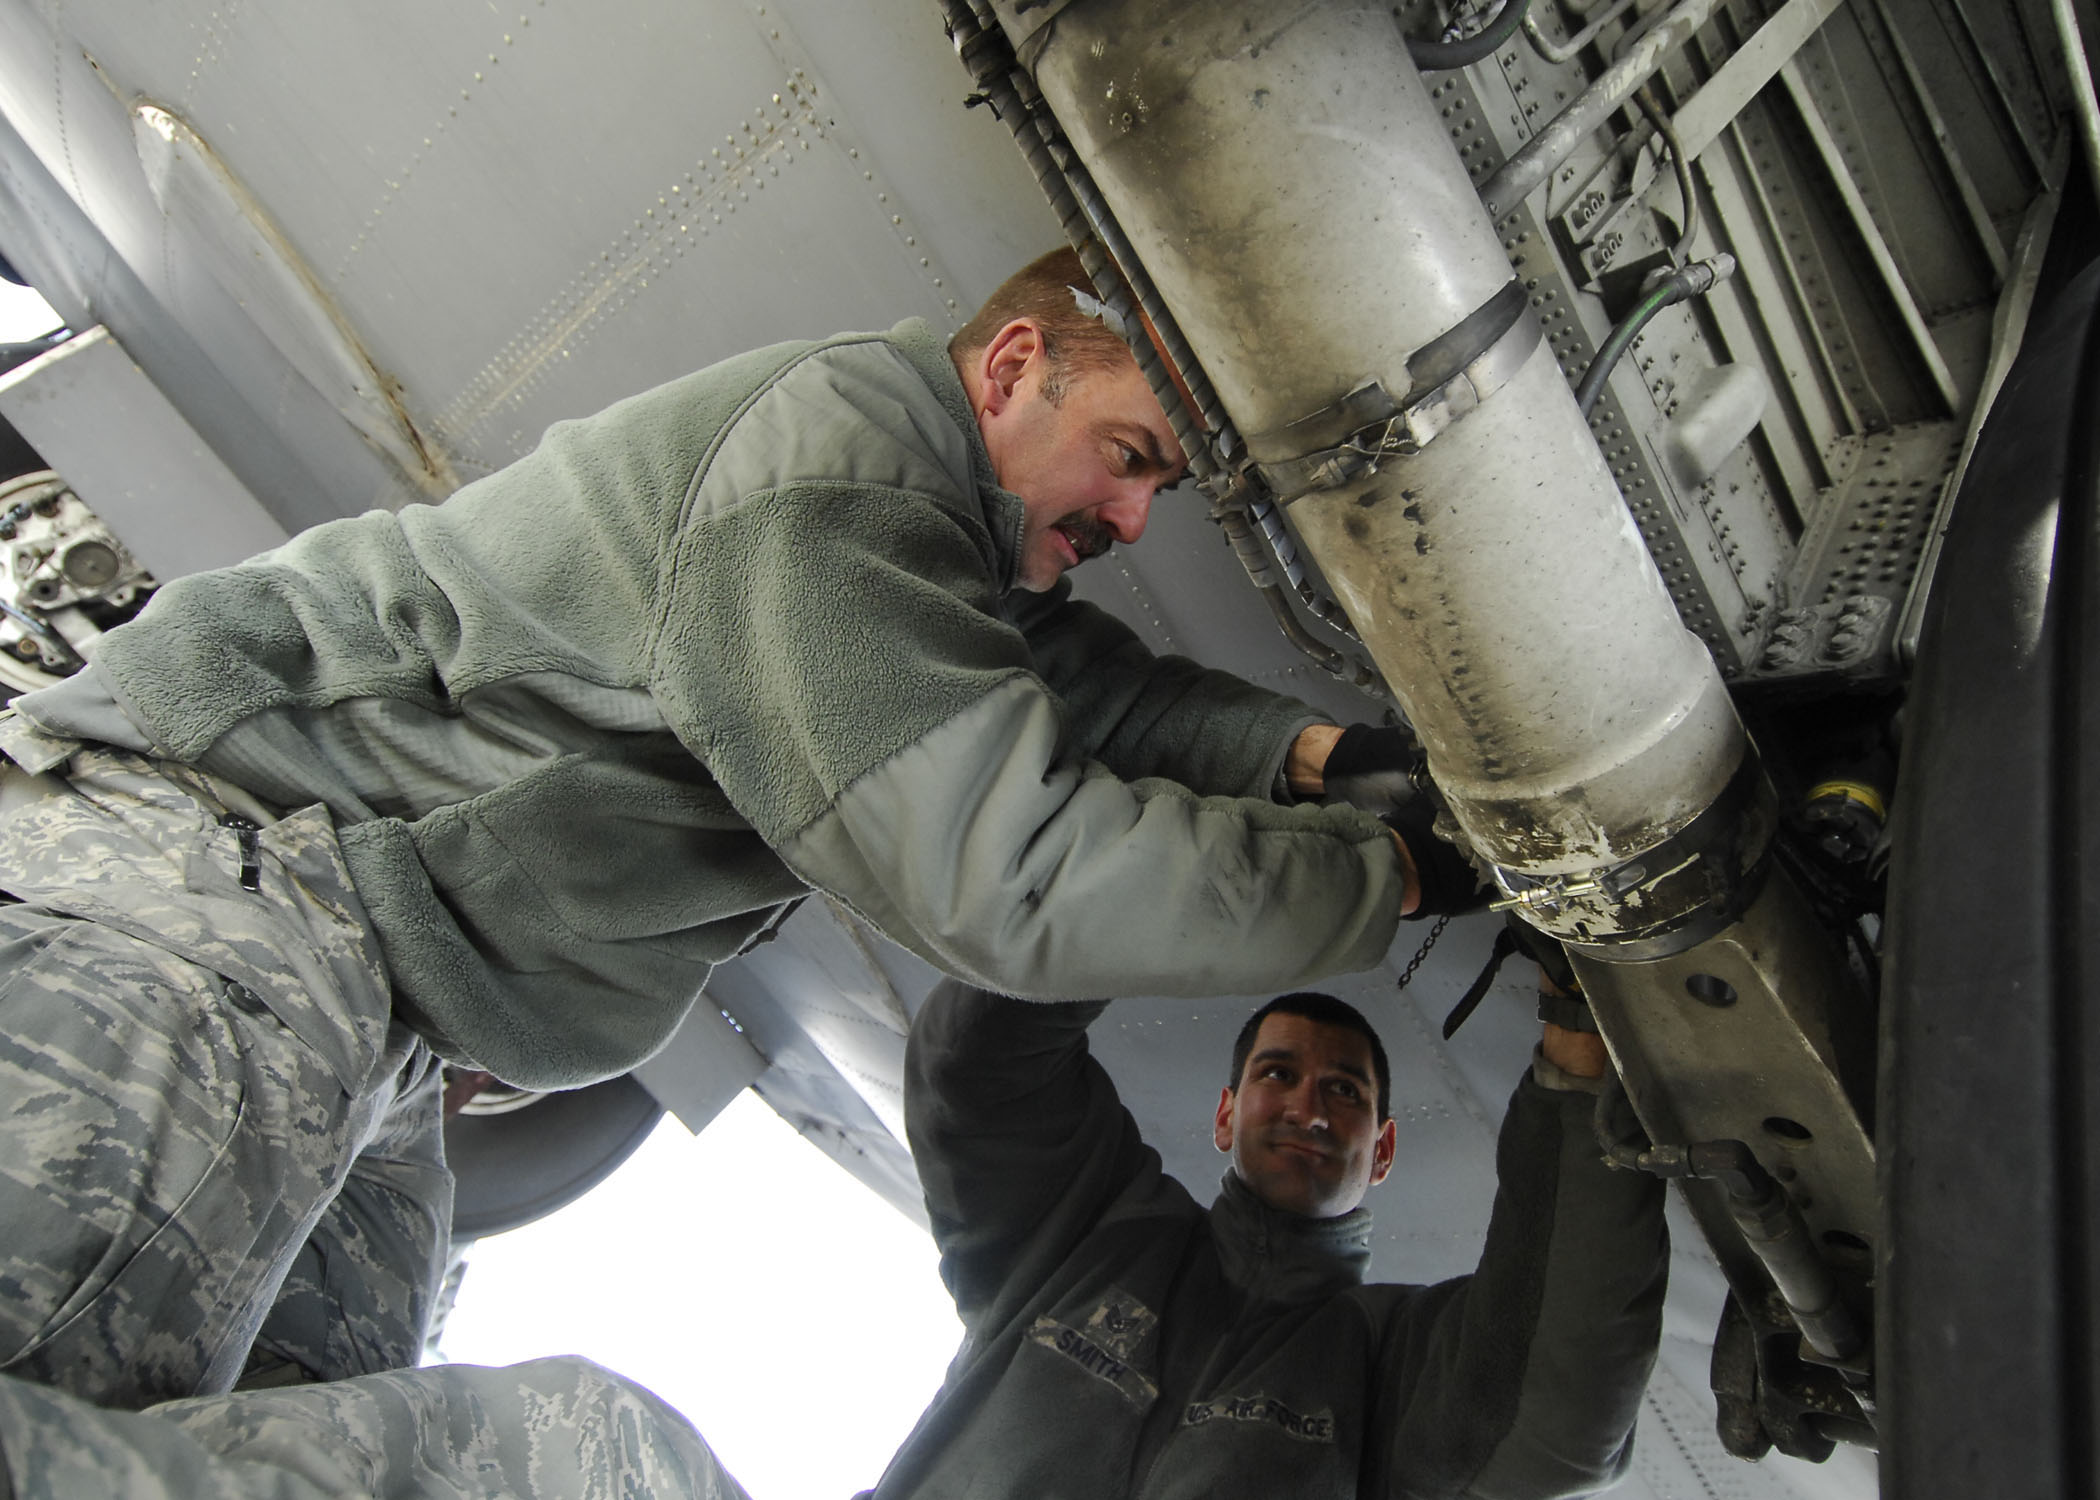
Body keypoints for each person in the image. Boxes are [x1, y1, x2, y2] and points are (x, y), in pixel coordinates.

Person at [0, 243, 1449, 1420]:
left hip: (360, 994)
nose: (1136, 517)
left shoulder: (928, 525)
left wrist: (1311, 756)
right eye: (1129, 457)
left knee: (290, 1411)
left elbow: (1076, 691)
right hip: (225, 875)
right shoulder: (835, 494)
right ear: (1014, 371)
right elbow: (1003, 879)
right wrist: (1385, 878)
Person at [870, 980, 1667, 1498]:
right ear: (1225, 1116)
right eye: (1277, 1074)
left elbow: (1556, 1407)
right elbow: (973, 1072)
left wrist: (1578, 1052)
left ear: (1382, 1150)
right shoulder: (1086, 1236)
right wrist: (1165, 902)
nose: (1309, 1110)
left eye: (1344, 1091)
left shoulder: (1389, 1363)